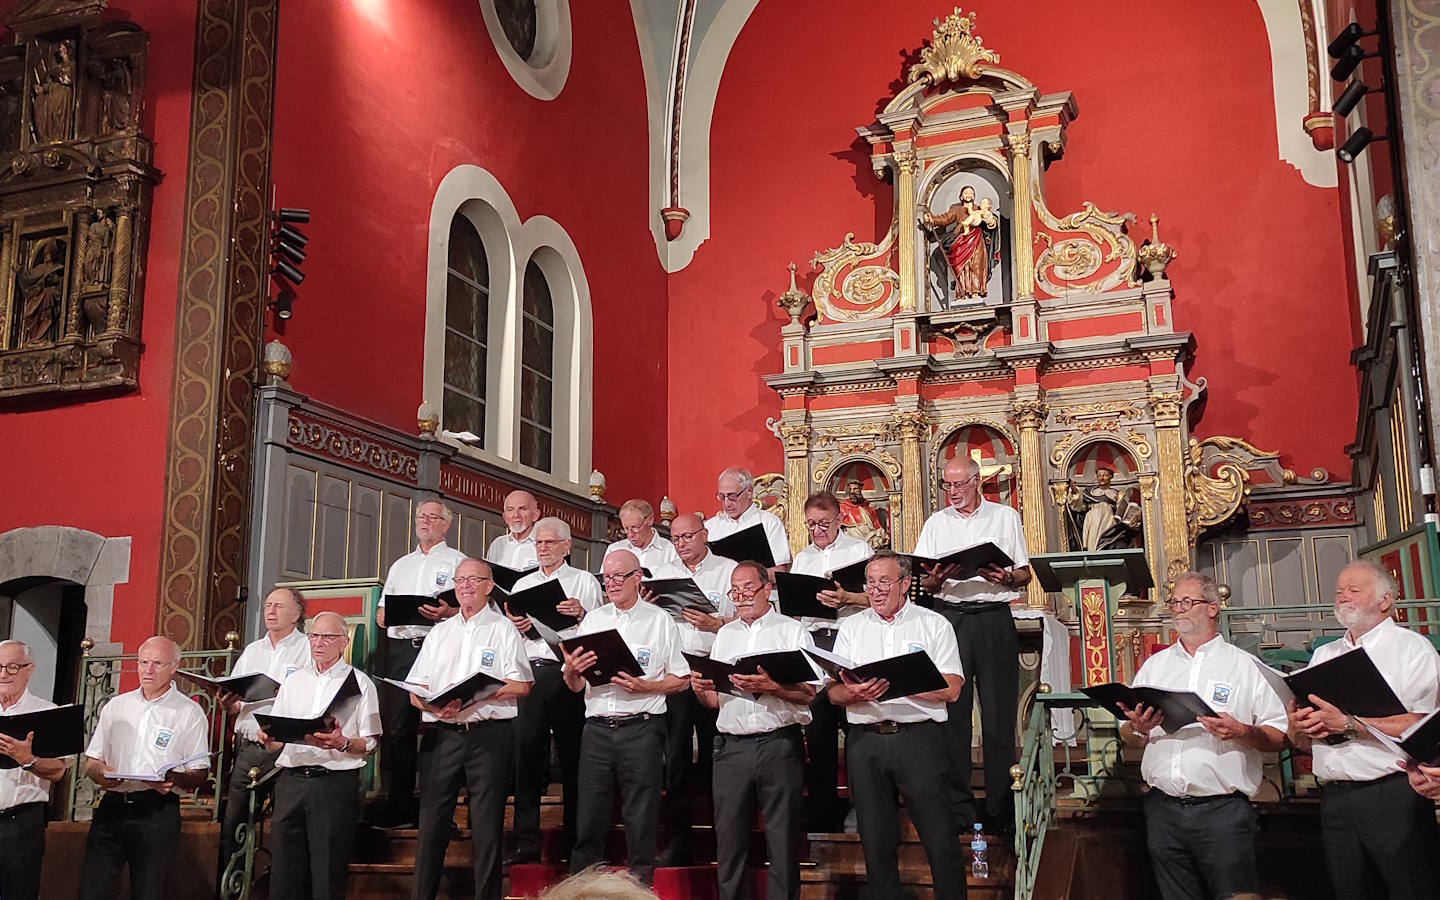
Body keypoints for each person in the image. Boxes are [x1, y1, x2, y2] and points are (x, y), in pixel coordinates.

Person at [1118, 573, 1286, 900]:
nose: (1178, 609)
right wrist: (1137, 726)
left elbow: (1279, 736)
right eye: (1174, 603)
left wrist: (1242, 731)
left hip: (1221, 813)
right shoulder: (1156, 666)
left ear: (1212, 607)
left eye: (1187, 602)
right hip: (1163, 809)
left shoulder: (1244, 667)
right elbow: (1128, 735)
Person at [1287, 560, 1440, 899]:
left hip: (1392, 793)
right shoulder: (1324, 653)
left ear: (1385, 600)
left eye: (1354, 590)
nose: (1343, 597)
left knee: (1412, 889)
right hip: (1336, 797)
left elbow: (1423, 723)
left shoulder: (1411, 649)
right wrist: (1298, 725)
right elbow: (1303, 740)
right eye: (1339, 591)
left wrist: (1350, 724)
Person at [828, 552, 967, 900]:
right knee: (875, 841)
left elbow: (952, 689)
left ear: (905, 584)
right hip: (866, 741)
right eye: (870, 583)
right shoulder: (852, 628)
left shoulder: (933, 624)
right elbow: (833, 694)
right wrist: (853, 692)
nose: (876, 590)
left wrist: (900, 683)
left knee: (939, 835)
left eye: (884, 582)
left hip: (917, 740)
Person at [913, 452, 1030, 835]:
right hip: (951, 618)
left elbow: (1024, 573)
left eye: (959, 483)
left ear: (977, 481)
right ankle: (960, 809)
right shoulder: (936, 523)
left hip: (994, 617)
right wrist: (935, 579)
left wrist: (1006, 578)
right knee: (954, 714)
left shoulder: (1004, 516)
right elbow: (924, 581)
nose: (952, 492)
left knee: (998, 716)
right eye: (947, 485)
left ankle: (1000, 808)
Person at [407, 558, 533, 900]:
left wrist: (480, 694)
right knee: (432, 824)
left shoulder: (503, 629)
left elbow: (522, 685)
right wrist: (433, 706)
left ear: (489, 586)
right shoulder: (440, 632)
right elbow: (415, 691)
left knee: (487, 825)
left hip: (488, 735)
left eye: (473, 580)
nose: (464, 586)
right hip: (443, 735)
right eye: (459, 580)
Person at [562, 550, 690, 885]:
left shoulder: (659, 621)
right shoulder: (593, 621)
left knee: (640, 817)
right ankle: (581, 887)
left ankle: (640, 886)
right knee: (589, 815)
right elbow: (575, 686)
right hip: (597, 729)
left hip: (641, 729)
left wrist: (647, 686)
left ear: (637, 578)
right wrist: (571, 670)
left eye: (619, 576)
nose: (612, 583)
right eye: (607, 578)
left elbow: (681, 679)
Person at [692, 562, 817, 900]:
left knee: (783, 841)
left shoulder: (791, 631)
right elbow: (716, 702)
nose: (741, 596)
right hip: (731, 748)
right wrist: (701, 689)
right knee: (729, 843)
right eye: (735, 590)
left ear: (767, 589)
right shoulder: (726, 635)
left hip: (778, 744)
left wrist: (772, 687)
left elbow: (809, 694)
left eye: (748, 588)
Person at [261, 610, 382, 900]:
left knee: (327, 872)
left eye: (327, 637)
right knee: (284, 872)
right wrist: (268, 738)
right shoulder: (294, 681)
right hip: (291, 782)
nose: (318, 643)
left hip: (333, 785)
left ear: (344, 641)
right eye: (314, 636)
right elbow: (276, 742)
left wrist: (342, 743)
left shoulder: (360, 683)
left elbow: (371, 743)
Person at [80, 635, 211, 900]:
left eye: (157, 664)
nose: (148, 670)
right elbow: (92, 762)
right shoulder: (117, 706)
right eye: (143, 662)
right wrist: (101, 775)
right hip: (112, 806)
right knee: (94, 889)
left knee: (149, 891)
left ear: (174, 667)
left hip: (156, 810)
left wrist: (171, 777)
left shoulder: (188, 712)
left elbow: (199, 773)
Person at [505, 517, 603, 865]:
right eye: (538, 543)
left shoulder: (584, 580)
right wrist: (518, 624)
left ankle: (576, 841)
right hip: (531, 671)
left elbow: (600, 625)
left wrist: (581, 612)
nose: (542, 548)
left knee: (573, 757)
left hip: (568, 672)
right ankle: (525, 842)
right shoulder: (523, 584)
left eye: (549, 542)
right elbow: (510, 636)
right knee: (527, 759)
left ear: (566, 546)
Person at [374, 498, 465, 827]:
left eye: (432, 517)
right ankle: (399, 809)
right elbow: (382, 610)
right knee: (399, 728)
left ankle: (439, 812)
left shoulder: (457, 562)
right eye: (420, 516)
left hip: (438, 647)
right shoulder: (401, 565)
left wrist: (447, 611)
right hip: (402, 649)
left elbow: (468, 607)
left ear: (446, 524)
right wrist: (382, 614)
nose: (424, 521)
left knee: (440, 725)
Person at [653, 512, 738, 863]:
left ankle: (722, 840)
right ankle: (678, 842)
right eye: (675, 538)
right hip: (676, 669)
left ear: (704, 535)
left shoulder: (728, 569)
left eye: (687, 536)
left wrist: (716, 623)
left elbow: (748, 619)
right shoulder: (664, 571)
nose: (681, 544)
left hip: (712, 667)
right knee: (675, 758)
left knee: (716, 756)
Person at [789, 491, 872, 832]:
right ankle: (822, 810)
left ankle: (860, 806)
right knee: (818, 728)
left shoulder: (859, 551)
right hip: (814, 642)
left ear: (839, 519)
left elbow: (877, 597)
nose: (817, 531)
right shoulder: (803, 558)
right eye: (811, 525)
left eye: (824, 523)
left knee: (855, 726)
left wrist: (846, 597)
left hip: (849, 639)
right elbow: (794, 608)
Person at [219, 587, 311, 868]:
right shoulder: (253, 650)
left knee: (286, 823)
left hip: (288, 747)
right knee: (236, 820)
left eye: (278, 606)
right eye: (268, 605)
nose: (270, 611)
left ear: (296, 614)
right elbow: (237, 700)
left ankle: (280, 882)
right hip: (251, 746)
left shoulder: (307, 648)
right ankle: (232, 884)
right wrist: (228, 703)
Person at [0, 640, 71, 900]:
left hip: (21, 823)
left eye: (12, 667)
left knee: (20, 892)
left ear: (29, 669)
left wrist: (27, 759)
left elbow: (58, 771)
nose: (3, 674)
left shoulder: (46, 713)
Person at [705, 467, 791, 572]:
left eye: (732, 496)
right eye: (722, 497)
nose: (727, 504)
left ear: (749, 491)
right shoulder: (710, 527)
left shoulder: (769, 522)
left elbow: (780, 570)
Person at [921, 183, 998, 301]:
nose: (969, 195)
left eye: (971, 193)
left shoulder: (979, 209)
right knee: (961, 268)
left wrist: (991, 222)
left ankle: (976, 291)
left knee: (976, 265)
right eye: (966, 193)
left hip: (976, 239)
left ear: (974, 196)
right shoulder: (957, 210)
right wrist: (933, 219)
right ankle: (963, 293)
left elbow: (990, 218)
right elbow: (945, 218)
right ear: (961, 196)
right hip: (961, 239)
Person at [606, 499, 683, 572]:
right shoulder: (614, 549)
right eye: (626, 529)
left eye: (635, 527)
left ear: (650, 520)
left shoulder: (671, 551)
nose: (630, 535)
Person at [488, 490, 541, 570]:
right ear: (505, 517)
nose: (516, 515)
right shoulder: (498, 544)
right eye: (510, 510)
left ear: (535, 515)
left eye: (522, 509)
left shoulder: (544, 544)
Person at [838, 478, 887, 548]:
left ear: (860, 489)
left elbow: (877, 525)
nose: (852, 492)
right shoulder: (843, 508)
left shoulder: (867, 508)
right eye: (850, 489)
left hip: (869, 539)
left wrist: (884, 535)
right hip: (853, 540)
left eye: (855, 489)